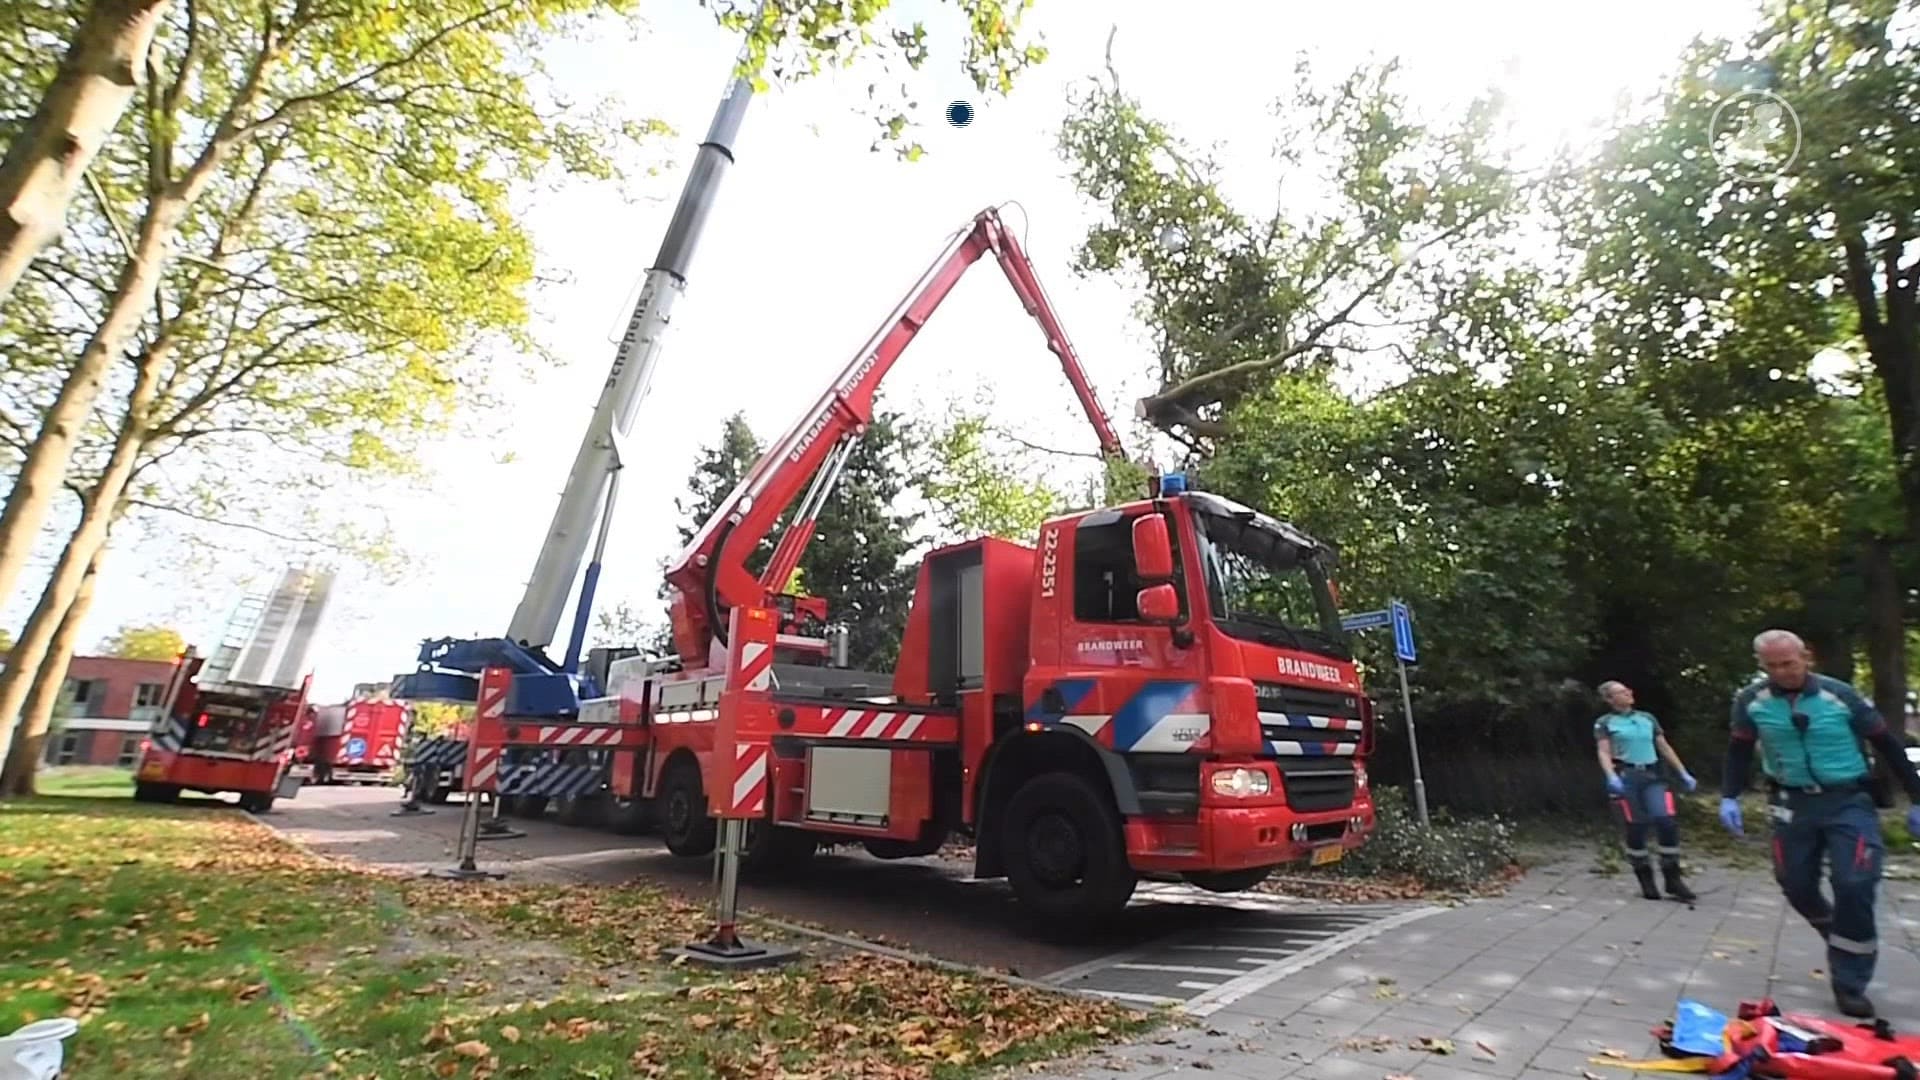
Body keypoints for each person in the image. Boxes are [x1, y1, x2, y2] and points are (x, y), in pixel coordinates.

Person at [1719, 629, 1920, 1018]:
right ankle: (1838, 935)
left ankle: (1849, 982)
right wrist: (1729, 795)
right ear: (1763, 666)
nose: (1783, 672)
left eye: (1789, 663)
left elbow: (1888, 743)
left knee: (1855, 882)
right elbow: (1739, 749)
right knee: (1794, 883)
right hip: (1791, 802)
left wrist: (1918, 798)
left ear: (1806, 657)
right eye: (1772, 666)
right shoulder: (1751, 701)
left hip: (1848, 800)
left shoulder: (1840, 696)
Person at [1594, 681, 1698, 902]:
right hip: (1627, 777)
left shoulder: (1647, 718)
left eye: (1628, 690)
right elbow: (1604, 752)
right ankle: (1645, 878)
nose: (1629, 693)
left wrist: (1683, 772)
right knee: (1636, 825)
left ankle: (1673, 878)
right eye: (1622, 692)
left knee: (1666, 821)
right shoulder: (1605, 723)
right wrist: (1611, 776)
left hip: (1653, 775)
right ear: (1610, 699)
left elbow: (1664, 746)